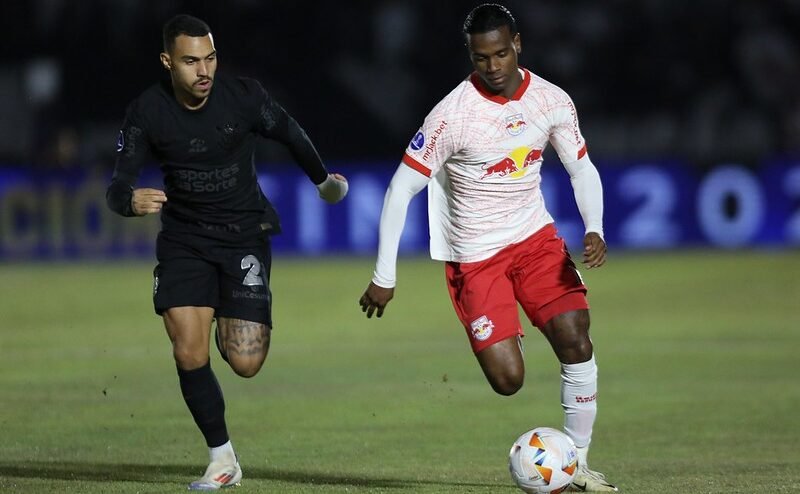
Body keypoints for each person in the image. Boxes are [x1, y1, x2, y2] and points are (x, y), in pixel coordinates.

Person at [359, 4, 616, 492]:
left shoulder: (551, 100)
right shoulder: (451, 115)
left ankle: (577, 464)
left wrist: (594, 227)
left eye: (500, 54)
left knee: (576, 338)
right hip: (476, 257)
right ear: (470, 55)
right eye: (481, 58)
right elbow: (400, 189)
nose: (493, 66)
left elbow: (581, 168)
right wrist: (384, 276)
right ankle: (502, 330)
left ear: (517, 44)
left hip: (535, 240)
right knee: (507, 380)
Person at [106, 14, 348, 491]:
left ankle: (224, 310)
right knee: (187, 348)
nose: (204, 71)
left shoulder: (243, 97)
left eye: (210, 58)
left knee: (245, 363)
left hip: (243, 235)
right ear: (167, 62)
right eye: (191, 61)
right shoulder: (148, 111)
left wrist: (323, 183)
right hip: (185, 241)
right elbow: (118, 184)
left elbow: (290, 132)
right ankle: (222, 459)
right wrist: (129, 202)